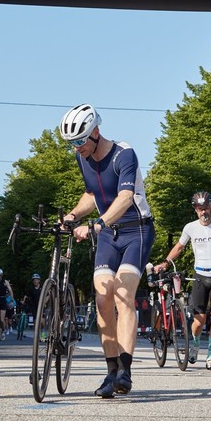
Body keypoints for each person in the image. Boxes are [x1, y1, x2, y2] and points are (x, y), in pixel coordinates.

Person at [59, 103, 155, 398]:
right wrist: (74, 216)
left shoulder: (124, 154)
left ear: (96, 132)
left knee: (124, 294)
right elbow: (92, 193)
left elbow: (126, 197)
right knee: (103, 298)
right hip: (107, 235)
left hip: (136, 231)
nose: (76, 148)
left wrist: (97, 223)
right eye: (71, 143)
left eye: (80, 141)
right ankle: (111, 371)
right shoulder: (83, 158)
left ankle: (126, 370)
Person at [155, 191, 211, 370]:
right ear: (195, 209)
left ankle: (210, 357)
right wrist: (165, 263)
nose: (204, 212)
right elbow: (179, 247)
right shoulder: (190, 228)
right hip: (200, 276)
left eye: (207, 208)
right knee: (199, 320)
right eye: (200, 209)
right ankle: (194, 344)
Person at [0, 268, 14, 340]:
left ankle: (3, 330)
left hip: (3, 300)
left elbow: (10, 291)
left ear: (1, 275)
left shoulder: (5, 282)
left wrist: (11, 300)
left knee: (2, 319)